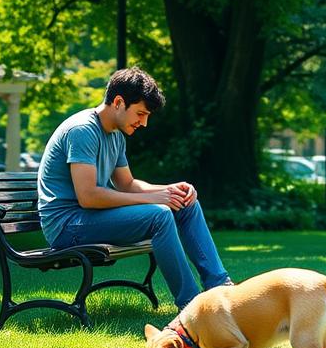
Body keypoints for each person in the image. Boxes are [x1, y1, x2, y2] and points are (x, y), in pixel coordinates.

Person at [37, 67, 232, 310]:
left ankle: (222, 289)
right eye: (140, 113)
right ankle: (192, 307)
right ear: (118, 102)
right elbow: (87, 197)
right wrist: (156, 200)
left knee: (186, 204)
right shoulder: (82, 131)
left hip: (88, 218)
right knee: (159, 216)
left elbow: (127, 184)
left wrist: (169, 191)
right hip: (67, 225)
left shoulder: (116, 135)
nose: (144, 123)